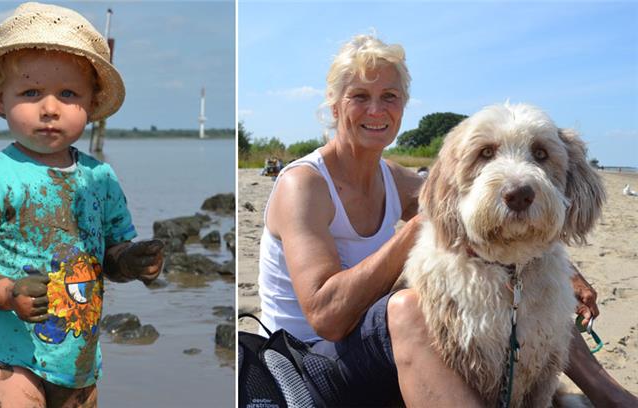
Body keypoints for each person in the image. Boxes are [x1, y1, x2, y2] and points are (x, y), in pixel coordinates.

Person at [257, 33, 637, 406]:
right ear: (335, 106)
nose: (376, 110)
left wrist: (564, 272)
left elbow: (474, 205)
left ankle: (610, 395)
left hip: (374, 350)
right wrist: (427, 221)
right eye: (360, 96)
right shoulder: (303, 185)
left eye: (389, 96)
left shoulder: (395, 178)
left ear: (402, 106)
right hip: (310, 363)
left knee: (532, 283)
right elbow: (327, 317)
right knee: (410, 306)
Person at [0, 3, 164, 406]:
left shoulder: (100, 178)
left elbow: (108, 257)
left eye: (68, 94)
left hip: (78, 363)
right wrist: (8, 292)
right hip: (8, 358)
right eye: (30, 92)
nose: (49, 108)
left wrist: (130, 261)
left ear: (91, 104)